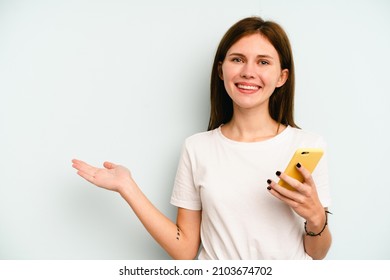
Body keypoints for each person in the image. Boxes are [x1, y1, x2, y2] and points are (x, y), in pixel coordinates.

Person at [72, 16, 332, 260]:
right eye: (238, 59)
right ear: (221, 71)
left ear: (282, 77)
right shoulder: (197, 148)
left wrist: (317, 218)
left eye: (263, 62)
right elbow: (184, 248)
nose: (248, 72)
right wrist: (126, 187)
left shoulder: (306, 146)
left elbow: (317, 253)